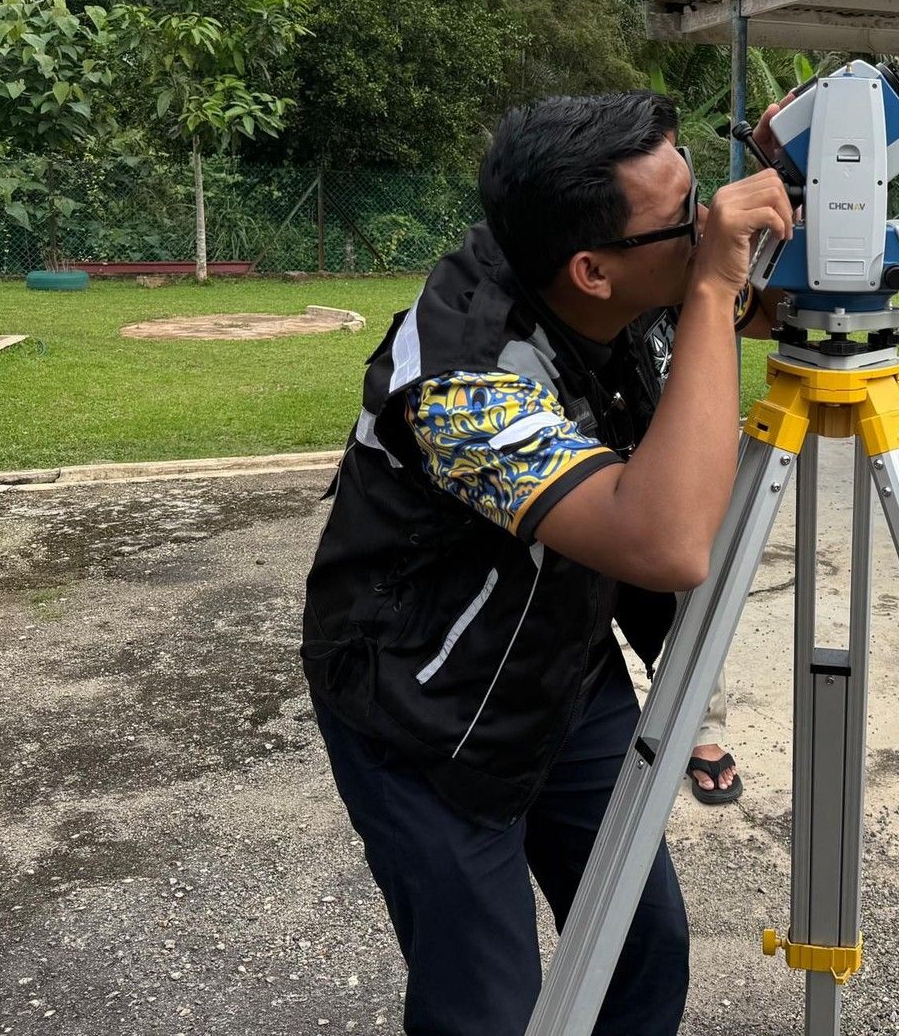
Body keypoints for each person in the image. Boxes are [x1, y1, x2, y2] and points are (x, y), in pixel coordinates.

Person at [300, 90, 793, 1036]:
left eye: (699, 195)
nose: (704, 226)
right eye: (682, 219)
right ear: (591, 270)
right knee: (486, 1010)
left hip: (561, 662)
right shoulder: (462, 383)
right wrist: (705, 286)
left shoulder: (602, 266)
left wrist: (797, 190)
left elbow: (754, 308)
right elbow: (666, 542)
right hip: (421, 709)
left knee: (643, 946)